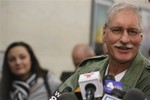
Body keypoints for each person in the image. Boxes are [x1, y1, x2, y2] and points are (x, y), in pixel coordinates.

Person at [57, 1, 150, 98]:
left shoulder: (147, 78)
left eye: (132, 32)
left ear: (141, 38)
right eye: (117, 30)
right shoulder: (88, 69)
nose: (125, 39)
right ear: (104, 34)